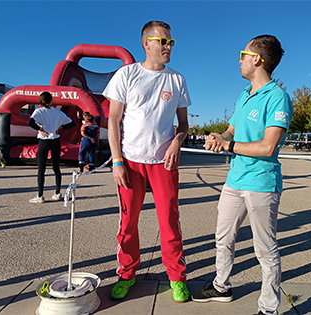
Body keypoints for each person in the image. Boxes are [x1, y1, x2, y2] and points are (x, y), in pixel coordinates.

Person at [191, 35, 293, 315]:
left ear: (257, 59)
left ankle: (269, 307)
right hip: (235, 181)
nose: (239, 60)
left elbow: (268, 146)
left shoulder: (277, 97)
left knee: (265, 248)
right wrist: (218, 137)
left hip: (262, 183)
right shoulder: (243, 95)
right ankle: (221, 286)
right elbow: (231, 131)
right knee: (223, 238)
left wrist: (229, 145)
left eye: (243, 54)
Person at [103, 20, 191, 302]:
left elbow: (184, 125)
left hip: (163, 163)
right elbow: (113, 120)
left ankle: (176, 277)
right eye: (163, 41)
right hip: (130, 161)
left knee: (169, 220)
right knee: (128, 223)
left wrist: (177, 142)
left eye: (171, 42)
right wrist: (116, 161)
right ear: (147, 44)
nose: (168, 46)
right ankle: (127, 274)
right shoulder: (126, 74)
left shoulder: (177, 79)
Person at [27, 91, 75, 203]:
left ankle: (40, 195)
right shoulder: (58, 113)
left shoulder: (38, 111)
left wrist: (40, 129)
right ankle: (57, 193)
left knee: (41, 169)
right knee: (56, 168)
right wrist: (61, 128)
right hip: (55, 140)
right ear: (52, 101)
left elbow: (30, 122)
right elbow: (72, 123)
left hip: (44, 141)